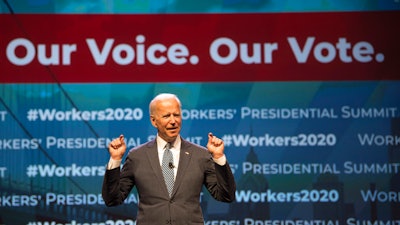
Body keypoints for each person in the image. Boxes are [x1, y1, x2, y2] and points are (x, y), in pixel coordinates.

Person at [102, 93, 236, 225]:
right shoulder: (137, 156)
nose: (173, 121)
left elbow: (225, 195)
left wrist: (218, 157)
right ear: (153, 121)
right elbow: (112, 199)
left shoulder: (200, 155)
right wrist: (115, 160)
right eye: (166, 116)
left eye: (176, 115)